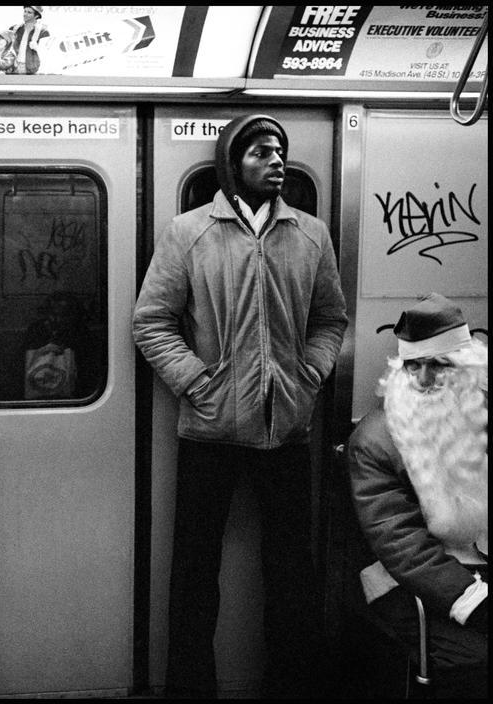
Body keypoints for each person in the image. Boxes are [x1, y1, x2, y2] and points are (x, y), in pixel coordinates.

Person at [133, 114, 348, 698]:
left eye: (280, 151)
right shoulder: (189, 232)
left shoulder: (311, 235)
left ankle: (292, 687)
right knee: (195, 576)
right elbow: (151, 322)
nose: (276, 160)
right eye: (260, 152)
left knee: (290, 576)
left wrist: (308, 374)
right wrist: (198, 383)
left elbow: (330, 320)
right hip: (209, 429)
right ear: (233, 164)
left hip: (287, 431)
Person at [347, 293, 487, 699]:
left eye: (439, 365)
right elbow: (401, 544)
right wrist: (474, 601)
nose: (423, 379)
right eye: (413, 366)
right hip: (413, 581)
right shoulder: (376, 439)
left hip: (478, 560)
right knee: (474, 657)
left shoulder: (480, 414)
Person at [23, 291, 98, 400]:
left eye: (63, 315)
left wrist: (65, 351)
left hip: (73, 393)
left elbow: (89, 368)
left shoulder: (81, 332)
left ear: (73, 316)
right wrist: (40, 352)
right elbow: (21, 362)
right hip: (38, 390)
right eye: (52, 314)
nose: (56, 319)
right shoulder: (36, 330)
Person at [11, 6, 50, 75]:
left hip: (31, 70)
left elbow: (46, 55)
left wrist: (37, 47)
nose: (25, 14)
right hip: (14, 68)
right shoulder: (15, 29)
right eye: (25, 11)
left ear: (36, 16)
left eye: (29, 12)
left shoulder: (43, 32)